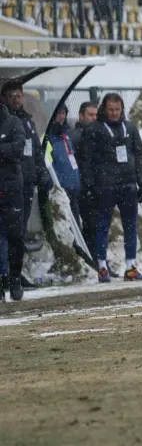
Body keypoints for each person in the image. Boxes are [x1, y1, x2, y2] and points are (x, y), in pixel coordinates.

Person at [76, 93, 142, 283]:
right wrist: (89, 185)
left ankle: (131, 266)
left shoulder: (130, 128)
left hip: (128, 185)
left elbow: (139, 156)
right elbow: (86, 160)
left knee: (130, 226)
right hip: (105, 186)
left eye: (117, 109)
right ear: (104, 109)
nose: (115, 113)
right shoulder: (94, 130)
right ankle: (102, 267)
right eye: (111, 110)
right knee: (102, 226)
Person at [1, 83, 52, 285]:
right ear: (3, 98)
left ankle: (15, 273)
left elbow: (36, 153)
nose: (16, 99)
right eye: (11, 95)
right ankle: (4, 273)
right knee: (5, 232)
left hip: (26, 183)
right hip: (9, 183)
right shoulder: (5, 122)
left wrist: (43, 174)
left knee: (19, 233)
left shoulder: (28, 122)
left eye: (18, 95)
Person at [0, 97, 26, 302]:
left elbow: (17, 148)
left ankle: (15, 278)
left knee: (15, 236)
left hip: (11, 189)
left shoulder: (13, 122)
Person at [71, 102, 99, 265]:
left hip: (96, 187)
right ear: (81, 116)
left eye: (96, 115)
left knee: (97, 227)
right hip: (82, 188)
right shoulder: (76, 136)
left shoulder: (98, 134)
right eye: (91, 115)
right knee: (89, 227)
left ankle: (98, 261)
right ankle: (92, 261)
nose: (94, 118)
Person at [47, 104, 81, 224]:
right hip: (60, 189)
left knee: (76, 224)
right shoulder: (48, 137)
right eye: (58, 113)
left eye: (63, 113)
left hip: (72, 187)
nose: (61, 116)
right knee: (64, 226)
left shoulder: (66, 134)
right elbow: (48, 164)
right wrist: (58, 183)